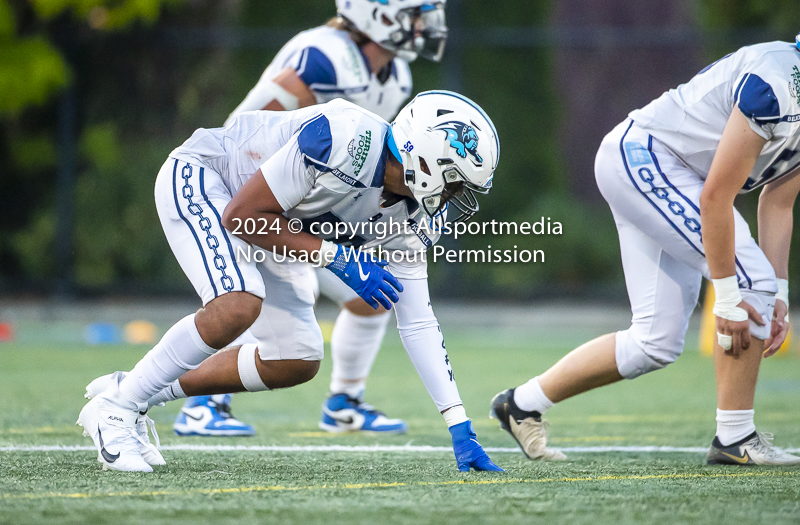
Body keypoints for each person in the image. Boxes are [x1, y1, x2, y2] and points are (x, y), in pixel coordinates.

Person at [78, 90, 503, 473]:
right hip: (210, 179)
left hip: (275, 224)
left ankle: (132, 390)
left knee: (295, 356)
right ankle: (118, 409)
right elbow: (242, 217)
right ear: (426, 160)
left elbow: (418, 320)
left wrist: (458, 424)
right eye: (455, 182)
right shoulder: (346, 139)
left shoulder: (413, 217)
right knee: (238, 304)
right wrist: (335, 256)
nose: (454, 196)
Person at [172, 0, 449, 437]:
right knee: (246, 299)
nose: (424, 26)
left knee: (377, 292)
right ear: (378, 13)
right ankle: (201, 403)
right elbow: (250, 127)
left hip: (314, 207)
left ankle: (345, 402)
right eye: (415, 14)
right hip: (256, 197)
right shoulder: (324, 56)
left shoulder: (395, 76)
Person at [491, 36, 800, 465]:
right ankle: (735, 438)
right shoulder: (778, 83)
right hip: (648, 158)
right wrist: (729, 297)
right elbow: (716, 197)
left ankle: (521, 404)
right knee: (749, 281)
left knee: (655, 342)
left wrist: (780, 294)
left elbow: (779, 200)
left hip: (663, 169)